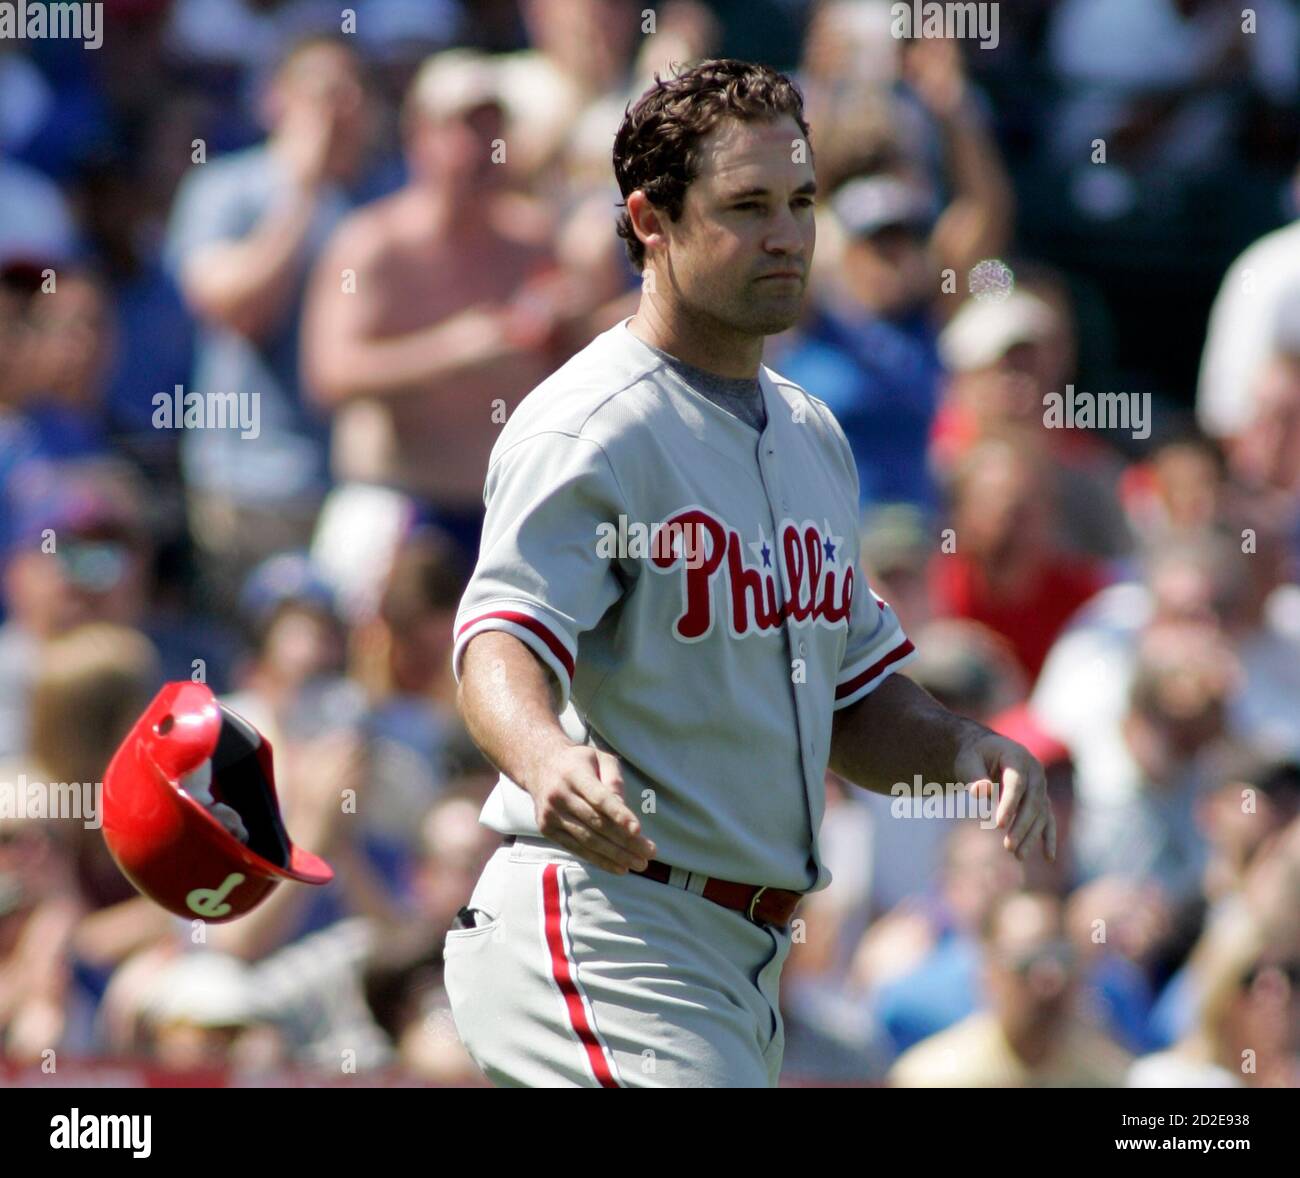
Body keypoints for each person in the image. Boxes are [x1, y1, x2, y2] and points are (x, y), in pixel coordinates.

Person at [445, 59, 1054, 1089]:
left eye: (802, 200)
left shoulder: (813, 432)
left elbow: (855, 702)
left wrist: (961, 748)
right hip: (607, 927)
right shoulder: (593, 422)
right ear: (649, 220)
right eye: (746, 205)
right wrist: (544, 754)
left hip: (743, 960)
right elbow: (499, 636)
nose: (787, 234)